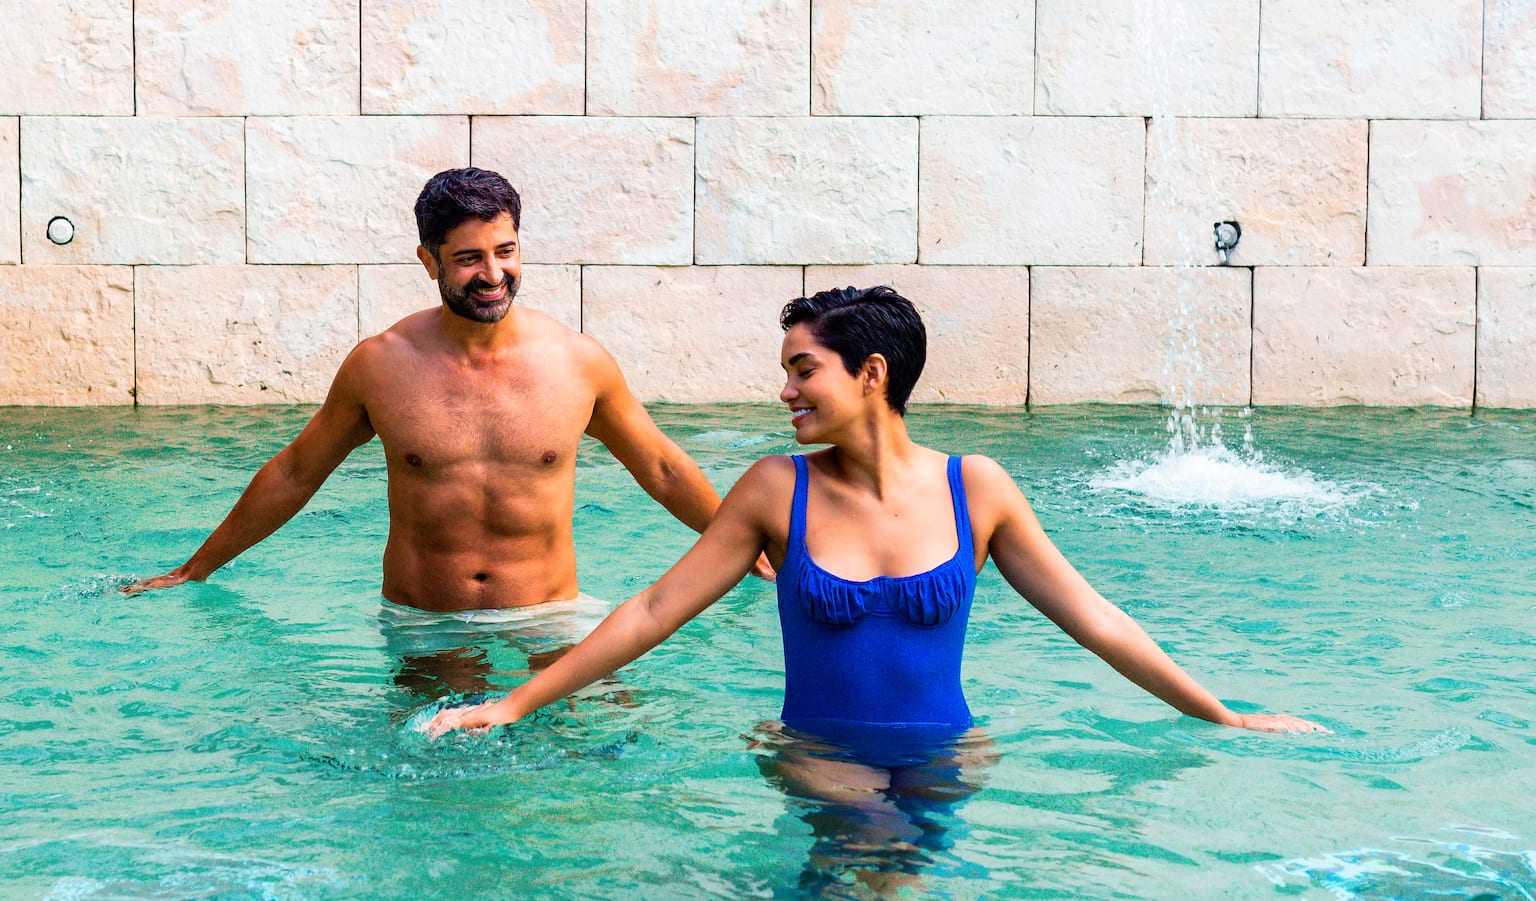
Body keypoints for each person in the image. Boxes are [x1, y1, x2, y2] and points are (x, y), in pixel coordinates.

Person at [428, 285, 1325, 752]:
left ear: (872, 374)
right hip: (817, 753)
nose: (786, 390)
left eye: (804, 369)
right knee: (864, 876)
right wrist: (512, 705)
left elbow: (1096, 620)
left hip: (949, 755)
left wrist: (1222, 716)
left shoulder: (980, 487)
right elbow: (656, 610)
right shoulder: (778, 490)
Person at [125, 168, 754, 687]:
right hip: (426, 621)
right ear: (428, 261)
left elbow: (662, 467)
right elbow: (296, 472)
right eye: (467, 259)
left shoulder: (577, 362)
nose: (492, 274)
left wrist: (749, 551)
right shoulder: (381, 364)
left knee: (600, 757)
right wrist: (195, 569)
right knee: (440, 777)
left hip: (551, 616)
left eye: (505, 252)